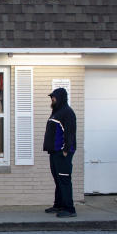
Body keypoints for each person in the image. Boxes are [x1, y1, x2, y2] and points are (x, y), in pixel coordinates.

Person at [43, 88, 77, 217]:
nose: (52, 99)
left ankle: (69, 209)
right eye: (51, 97)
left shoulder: (67, 113)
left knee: (64, 179)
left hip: (62, 153)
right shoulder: (56, 112)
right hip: (54, 152)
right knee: (58, 179)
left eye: (54, 97)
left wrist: (66, 150)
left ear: (60, 98)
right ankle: (59, 205)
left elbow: (70, 133)